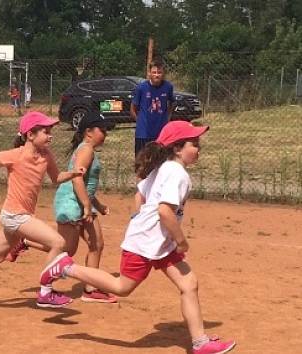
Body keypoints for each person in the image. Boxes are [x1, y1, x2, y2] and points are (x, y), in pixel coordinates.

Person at [40, 121, 236, 354]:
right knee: (122, 287)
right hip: (146, 242)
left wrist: (139, 217)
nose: (198, 149)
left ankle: (200, 343)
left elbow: (140, 193)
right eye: (194, 144)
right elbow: (165, 212)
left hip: (159, 243)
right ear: (177, 148)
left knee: (189, 283)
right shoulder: (176, 173)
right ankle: (66, 267)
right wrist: (181, 240)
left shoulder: (163, 167)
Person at [0, 112, 86, 309]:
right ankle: (45, 292)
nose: (50, 135)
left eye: (50, 131)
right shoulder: (15, 155)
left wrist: (73, 173)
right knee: (59, 242)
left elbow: (56, 177)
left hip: (22, 217)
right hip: (14, 215)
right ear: (30, 134)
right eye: (46, 131)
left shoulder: (46, 156)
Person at [7, 112, 117, 303]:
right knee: (67, 249)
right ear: (88, 132)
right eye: (102, 129)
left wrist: (96, 205)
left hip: (82, 203)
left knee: (96, 244)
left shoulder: (87, 149)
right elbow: (77, 180)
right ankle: (26, 243)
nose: (105, 133)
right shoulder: (86, 150)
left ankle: (91, 289)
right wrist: (85, 205)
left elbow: (87, 184)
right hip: (72, 203)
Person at [131, 60, 175, 157]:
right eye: (154, 72)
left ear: (163, 74)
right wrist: (140, 122)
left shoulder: (168, 87)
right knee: (142, 161)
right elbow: (133, 108)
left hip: (160, 132)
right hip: (143, 133)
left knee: (159, 160)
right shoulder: (141, 88)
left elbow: (171, 103)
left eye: (159, 72)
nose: (157, 75)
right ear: (149, 73)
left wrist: (167, 118)